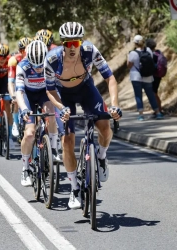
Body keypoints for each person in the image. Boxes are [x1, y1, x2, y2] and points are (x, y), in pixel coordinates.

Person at [44, 22, 122, 209]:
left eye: (76, 43)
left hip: (86, 89)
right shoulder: (52, 60)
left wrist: (115, 105)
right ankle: (74, 188)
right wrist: (61, 108)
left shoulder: (89, 51)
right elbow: (50, 90)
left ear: (81, 42)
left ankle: (101, 157)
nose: (72, 48)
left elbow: (110, 78)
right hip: (64, 96)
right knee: (67, 141)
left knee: (104, 126)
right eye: (68, 44)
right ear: (62, 44)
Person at [16, 40, 62, 187]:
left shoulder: (51, 63)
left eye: (40, 66)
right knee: (29, 133)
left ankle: (53, 149)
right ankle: (25, 168)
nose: (37, 69)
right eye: (34, 66)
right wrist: (23, 108)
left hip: (44, 92)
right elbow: (19, 92)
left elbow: (57, 87)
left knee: (51, 115)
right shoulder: (22, 66)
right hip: (28, 96)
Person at [127, 35, 163, 121]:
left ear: (135, 43)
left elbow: (129, 65)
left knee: (138, 95)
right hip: (148, 77)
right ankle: (157, 112)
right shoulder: (149, 50)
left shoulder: (132, 53)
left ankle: (141, 115)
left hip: (136, 77)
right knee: (150, 94)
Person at [8, 36, 32, 137]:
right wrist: (13, 95)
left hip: (32, 85)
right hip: (18, 83)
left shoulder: (38, 58)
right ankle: (15, 123)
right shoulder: (14, 60)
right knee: (16, 98)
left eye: (28, 49)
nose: (25, 52)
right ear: (19, 51)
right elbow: (11, 81)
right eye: (23, 50)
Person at [146, 38, 167, 114]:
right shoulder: (158, 52)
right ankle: (158, 109)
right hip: (158, 75)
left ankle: (159, 109)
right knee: (154, 92)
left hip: (154, 75)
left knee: (153, 92)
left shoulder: (152, 55)